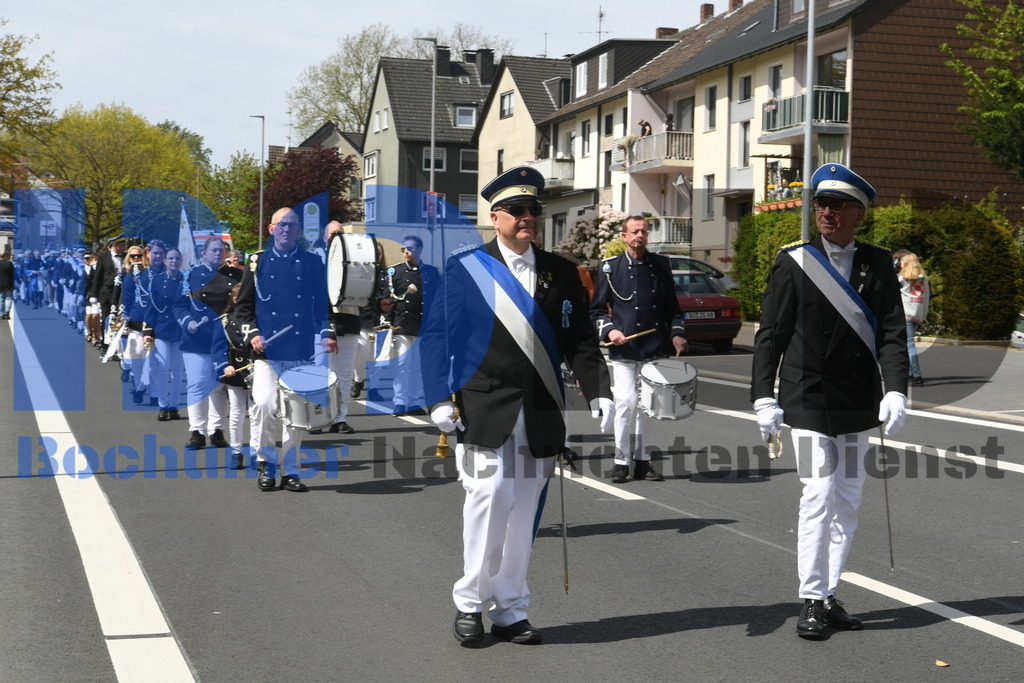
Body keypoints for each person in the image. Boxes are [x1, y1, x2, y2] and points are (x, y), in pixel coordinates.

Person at [420, 166, 613, 646]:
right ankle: (469, 603)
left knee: (524, 511)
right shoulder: (466, 269)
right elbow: (435, 339)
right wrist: (438, 400)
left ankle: (510, 607)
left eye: (535, 211)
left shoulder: (563, 273)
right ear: (496, 216)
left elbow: (581, 342)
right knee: (489, 500)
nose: (529, 218)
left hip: (543, 408)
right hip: (485, 407)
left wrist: (600, 391)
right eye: (519, 211)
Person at [751, 163, 909, 640]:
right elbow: (770, 335)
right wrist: (763, 396)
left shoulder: (877, 264)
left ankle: (830, 591)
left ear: (858, 214)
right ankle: (812, 598)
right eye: (820, 203)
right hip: (808, 394)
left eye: (837, 205)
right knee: (817, 495)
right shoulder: (794, 260)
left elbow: (894, 334)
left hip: (856, 395)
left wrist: (897, 388)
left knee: (848, 500)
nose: (825, 212)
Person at [234, 207, 336, 492]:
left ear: (299, 231)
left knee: (295, 415)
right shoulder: (257, 263)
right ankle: (266, 464)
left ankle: (290, 471)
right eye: (282, 225)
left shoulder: (311, 263)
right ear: (271, 229)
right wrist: (253, 334)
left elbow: (321, 305)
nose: (287, 230)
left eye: (292, 225)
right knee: (265, 405)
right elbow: (242, 309)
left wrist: (327, 333)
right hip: (266, 351)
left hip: (300, 348)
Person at [590, 215, 688, 483]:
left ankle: (643, 461)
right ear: (624, 236)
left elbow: (673, 309)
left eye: (643, 232)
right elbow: (597, 310)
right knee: (625, 402)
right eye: (634, 232)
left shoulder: (661, 265)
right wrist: (610, 330)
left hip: (654, 347)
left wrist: (677, 334)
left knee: (648, 407)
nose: (639, 236)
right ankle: (621, 460)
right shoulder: (609, 268)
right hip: (624, 349)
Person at [173, 236, 238, 450]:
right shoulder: (190, 275)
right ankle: (197, 430)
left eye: (221, 251)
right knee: (198, 384)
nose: (217, 254)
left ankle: (216, 430)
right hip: (196, 338)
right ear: (204, 252)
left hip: (223, 338)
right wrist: (187, 321)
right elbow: (179, 305)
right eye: (213, 250)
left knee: (218, 386)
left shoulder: (236, 275)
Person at [374, 234, 439, 414]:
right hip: (402, 323)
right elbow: (386, 297)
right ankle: (400, 401)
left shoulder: (431, 273)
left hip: (423, 325)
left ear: (419, 249)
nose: (406, 252)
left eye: (409, 248)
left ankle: (415, 401)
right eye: (403, 249)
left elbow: (437, 300)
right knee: (402, 364)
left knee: (418, 366)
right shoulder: (396, 272)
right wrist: (385, 306)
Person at [318, 221, 360, 433]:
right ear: (325, 237)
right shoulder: (316, 259)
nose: (338, 236)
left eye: (341, 233)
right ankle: (316, 416)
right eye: (334, 233)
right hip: (320, 325)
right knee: (321, 373)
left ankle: (339, 418)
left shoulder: (356, 260)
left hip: (349, 320)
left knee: (344, 374)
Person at [121, 240, 166, 405]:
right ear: (148, 254)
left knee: (155, 361)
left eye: (161, 253)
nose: (157, 256)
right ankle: (139, 386)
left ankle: (154, 394)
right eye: (154, 253)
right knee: (137, 356)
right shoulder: (136, 273)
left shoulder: (168, 273)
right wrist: (125, 315)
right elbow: (127, 296)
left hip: (160, 321)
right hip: (138, 319)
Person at [145, 247, 186, 422]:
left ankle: (173, 406)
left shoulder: (187, 280)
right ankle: (163, 405)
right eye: (170, 258)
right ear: (165, 261)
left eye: (177, 258)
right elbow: (151, 306)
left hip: (181, 329)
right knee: (162, 368)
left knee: (177, 371)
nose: (174, 261)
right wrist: (147, 330)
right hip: (161, 328)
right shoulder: (157, 280)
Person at [893, 249, 930, 387]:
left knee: (908, 344)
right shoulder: (925, 279)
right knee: (908, 342)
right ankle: (909, 372)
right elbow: (927, 298)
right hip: (918, 314)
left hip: (906, 314)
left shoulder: (901, 280)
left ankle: (917, 375)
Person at [88, 235, 129, 350]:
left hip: (120, 294)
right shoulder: (103, 256)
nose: (125, 248)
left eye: (125, 245)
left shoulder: (126, 256)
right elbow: (97, 276)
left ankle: (117, 347)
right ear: (115, 245)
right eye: (122, 245)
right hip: (106, 293)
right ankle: (105, 345)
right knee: (107, 319)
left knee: (119, 319)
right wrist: (94, 295)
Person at [0, 251, 14, 320]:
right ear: (6, 256)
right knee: (9, 298)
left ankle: (1, 314)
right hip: (8, 283)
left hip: (1, 284)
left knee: (1, 299)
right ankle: (7, 312)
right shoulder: (9, 263)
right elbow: (12, 274)